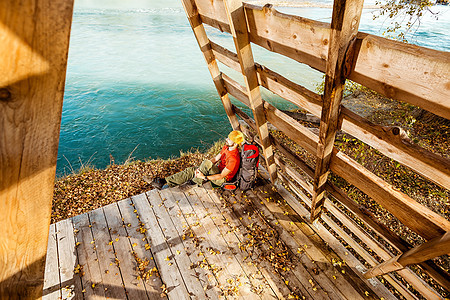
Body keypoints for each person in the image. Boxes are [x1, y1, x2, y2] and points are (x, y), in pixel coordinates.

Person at [149, 130, 244, 190]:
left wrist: (204, 177)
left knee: (203, 167)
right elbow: (215, 159)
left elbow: (221, 176)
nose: (226, 139)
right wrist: (202, 168)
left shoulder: (233, 159)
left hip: (222, 180)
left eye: (229, 139)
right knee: (192, 170)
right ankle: (163, 181)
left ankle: (194, 181)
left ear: (235, 143)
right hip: (217, 170)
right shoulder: (226, 147)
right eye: (228, 137)